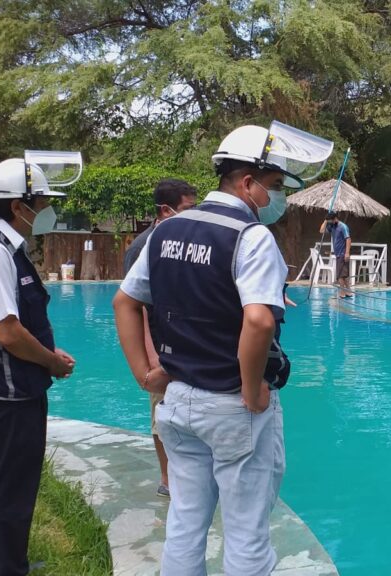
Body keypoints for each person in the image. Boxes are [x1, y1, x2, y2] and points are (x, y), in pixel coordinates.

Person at [113, 123, 312, 575]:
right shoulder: (251, 237)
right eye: (275, 185)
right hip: (231, 406)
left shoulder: (166, 231)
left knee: (185, 524)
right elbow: (259, 320)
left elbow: (124, 301)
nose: (277, 197)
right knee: (246, 534)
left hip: (178, 401)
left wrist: (144, 374)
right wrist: (252, 389)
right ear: (248, 182)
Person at [0, 157, 76, 575]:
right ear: (18, 206)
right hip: (7, 392)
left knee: (14, 484)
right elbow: (6, 332)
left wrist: (47, 354)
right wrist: (51, 362)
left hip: (9, 386)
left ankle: (6, 561)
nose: (46, 210)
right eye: (41, 203)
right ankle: (0, 569)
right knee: (10, 488)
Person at [122, 178, 197, 498]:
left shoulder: (185, 238)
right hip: (158, 347)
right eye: (187, 208)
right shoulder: (143, 247)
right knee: (161, 413)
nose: (193, 214)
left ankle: (186, 475)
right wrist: (149, 361)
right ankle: (168, 479)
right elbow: (134, 305)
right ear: (165, 210)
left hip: (183, 344)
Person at [319, 211, 351, 297]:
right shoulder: (332, 226)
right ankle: (348, 291)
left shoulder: (343, 226)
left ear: (335, 219)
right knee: (344, 274)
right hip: (338, 254)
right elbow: (321, 230)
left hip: (342, 253)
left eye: (331, 221)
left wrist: (347, 253)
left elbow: (348, 239)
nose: (330, 223)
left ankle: (342, 292)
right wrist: (326, 220)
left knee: (340, 275)